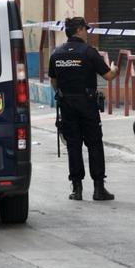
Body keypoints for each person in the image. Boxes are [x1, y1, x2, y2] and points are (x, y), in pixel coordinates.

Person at [48, 17, 119, 201]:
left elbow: (53, 81)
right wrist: (115, 68)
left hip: (67, 105)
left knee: (73, 145)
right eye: (85, 29)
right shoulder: (89, 52)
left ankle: (77, 189)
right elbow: (109, 76)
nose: (87, 33)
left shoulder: (57, 53)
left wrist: (63, 94)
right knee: (94, 144)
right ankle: (98, 188)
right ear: (79, 30)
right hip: (87, 104)